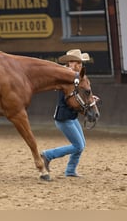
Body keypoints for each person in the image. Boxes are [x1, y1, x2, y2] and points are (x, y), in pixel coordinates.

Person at [41, 49, 91, 178]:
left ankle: (70, 170)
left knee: (81, 144)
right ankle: (48, 155)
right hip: (63, 117)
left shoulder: (77, 77)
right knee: (78, 145)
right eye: (76, 62)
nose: (80, 65)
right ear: (70, 63)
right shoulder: (66, 76)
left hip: (71, 116)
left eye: (81, 62)